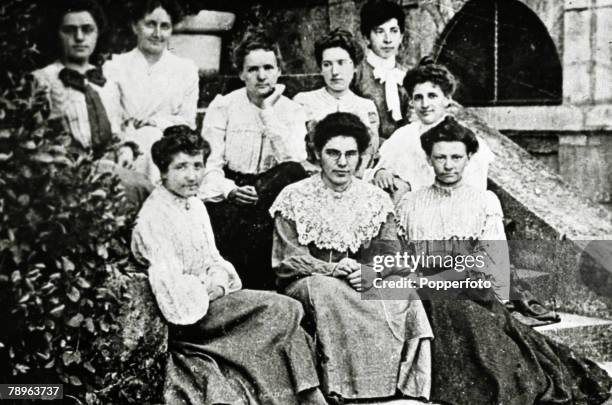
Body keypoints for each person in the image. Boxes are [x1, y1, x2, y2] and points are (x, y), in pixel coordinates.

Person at [395, 116, 612, 405]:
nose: (448, 165)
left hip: (470, 289)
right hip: (421, 290)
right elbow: (399, 256)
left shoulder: (485, 201)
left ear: (469, 157)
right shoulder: (410, 204)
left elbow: (489, 263)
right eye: (440, 157)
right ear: (428, 158)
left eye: (456, 157)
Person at [131, 125, 327, 405]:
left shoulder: (194, 205)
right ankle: (303, 396)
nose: (192, 175)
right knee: (283, 309)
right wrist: (213, 288)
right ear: (163, 171)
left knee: (286, 318)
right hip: (191, 318)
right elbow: (174, 295)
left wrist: (220, 280)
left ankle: (305, 395)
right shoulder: (153, 217)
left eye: (198, 166)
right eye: (181, 167)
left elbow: (214, 259)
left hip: (213, 299)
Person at [270, 112, 433, 403]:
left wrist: (371, 273)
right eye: (333, 153)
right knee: (327, 290)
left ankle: (395, 386)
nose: (342, 162)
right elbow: (287, 262)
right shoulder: (294, 196)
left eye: (350, 154)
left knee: (403, 292)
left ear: (361, 157)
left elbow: (391, 257)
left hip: (360, 277)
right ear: (318, 154)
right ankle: (343, 388)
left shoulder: (375, 199)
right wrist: (333, 269)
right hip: (309, 281)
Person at [201, 31, 309, 290]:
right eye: (253, 69)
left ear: (278, 70)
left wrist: (268, 112)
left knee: (291, 172)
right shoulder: (224, 107)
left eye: (268, 68)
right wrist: (230, 190)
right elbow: (209, 165)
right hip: (232, 193)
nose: (261, 76)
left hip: (271, 195)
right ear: (241, 74)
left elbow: (294, 163)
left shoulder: (291, 111)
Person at [33, 0, 152, 207]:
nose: (79, 37)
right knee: (135, 187)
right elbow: (34, 137)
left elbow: (121, 128)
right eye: (69, 30)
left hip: (109, 168)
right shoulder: (42, 79)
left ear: (98, 33)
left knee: (145, 189)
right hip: (64, 172)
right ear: (57, 34)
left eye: (87, 30)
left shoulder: (108, 82)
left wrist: (125, 149)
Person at [366, 58, 494, 200]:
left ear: (447, 99)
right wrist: (381, 173)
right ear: (411, 101)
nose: (425, 104)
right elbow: (381, 173)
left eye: (432, 96)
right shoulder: (402, 137)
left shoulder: (464, 139)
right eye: (418, 97)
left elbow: (474, 195)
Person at [104, 0, 199, 183]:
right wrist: (125, 145)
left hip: (170, 149)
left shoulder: (185, 69)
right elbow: (111, 118)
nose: (157, 34)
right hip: (125, 147)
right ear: (134, 26)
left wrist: (155, 122)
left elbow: (188, 121)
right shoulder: (115, 67)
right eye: (150, 25)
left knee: (153, 137)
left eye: (165, 26)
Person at [293, 29, 379, 169]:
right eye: (327, 64)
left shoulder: (366, 106)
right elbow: (295, 151)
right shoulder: (303, 101)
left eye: (341, 63)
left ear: (355, 66)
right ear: (320, 68)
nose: (335, 72)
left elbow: (369, 153)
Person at [352, 0, 410, 142]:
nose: (388, 39)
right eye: (379, 31)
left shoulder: (406, 75)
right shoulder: (356, 74)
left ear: (401, 36)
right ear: (366, 38)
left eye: (394, 31)